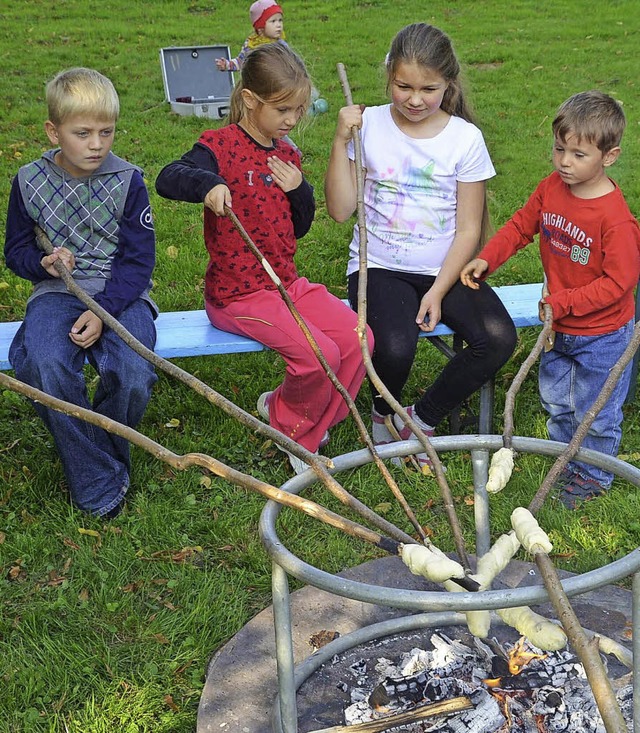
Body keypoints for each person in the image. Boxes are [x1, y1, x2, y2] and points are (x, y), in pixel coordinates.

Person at [156, 43, 372, 474]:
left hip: (285, 283)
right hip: (238, 294)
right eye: (283, 110)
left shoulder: (287, 153)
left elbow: (302, 225)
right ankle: (294, 434)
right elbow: (167, 178)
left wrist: (299, 191)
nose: (292, 120)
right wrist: (208, 184)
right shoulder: (219, 146)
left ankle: (304, 418)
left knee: (356, 338)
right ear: (250, 101)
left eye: (299, 109)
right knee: (319, 355)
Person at [325, 23, 516, 471]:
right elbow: (339, 210)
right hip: (379, 267)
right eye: (403, 86)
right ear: (389, 75)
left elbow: (468, 230)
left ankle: (421, 420)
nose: (414, 99)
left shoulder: (464, 138)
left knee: (498, 337)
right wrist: (339, 140)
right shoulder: (367, 124)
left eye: (429, 88)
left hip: (443, 268)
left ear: (448, 82)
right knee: (394, 344)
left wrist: (437, 290)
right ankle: (383, 417)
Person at [461, 90, 640, 508]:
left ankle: (593, 476)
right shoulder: (552, 189)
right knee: (558, 399)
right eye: (560, 149)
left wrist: (565, 302)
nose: (564, 162)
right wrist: (487, 259)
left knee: (596, 410)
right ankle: (564, 456)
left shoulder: (616, 220)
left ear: (608, 156)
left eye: (578, 154)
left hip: (603, 333)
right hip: (557, 326)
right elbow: (522, 226)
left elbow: (619, 284)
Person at [4, 67, 158, 518]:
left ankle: (95, 459)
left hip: (120, 293)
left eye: (106, 132)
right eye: (83, 133)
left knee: (133, 372)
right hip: (55, 292)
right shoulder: (29, 180)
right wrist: (42, 263)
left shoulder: (129, 181)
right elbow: (15, 251)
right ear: (54, 131)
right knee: (45, 364)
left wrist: (105, 312)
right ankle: (99, 480)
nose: (96, 144)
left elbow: (137, 263)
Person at [215, 0, 287, 72]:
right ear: (260, 27)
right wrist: (227, 65)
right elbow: (241, 62)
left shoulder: (281, 45)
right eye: (273, 21)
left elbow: (292, 65)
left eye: (280, 20)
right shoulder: (251, 45)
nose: (279, 25)